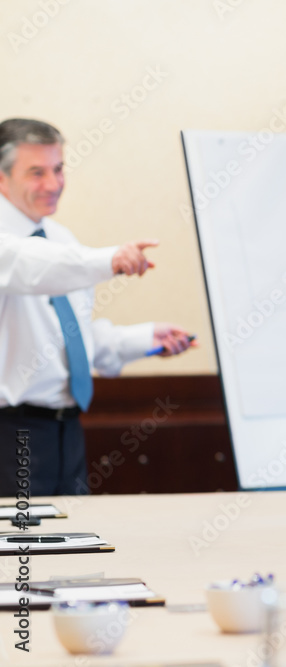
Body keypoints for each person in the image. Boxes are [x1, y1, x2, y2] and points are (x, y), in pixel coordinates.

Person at [0, 117, 195, 496]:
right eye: (36, 172)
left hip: (65, 431)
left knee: (75, 549)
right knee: (21, 553)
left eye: (58, 169)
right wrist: (109, 260)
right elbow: (30, 266)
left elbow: (68, 340)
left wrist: (143, 339)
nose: (54, 184)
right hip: (12, 435)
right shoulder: (23, 247)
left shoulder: (60, 239)